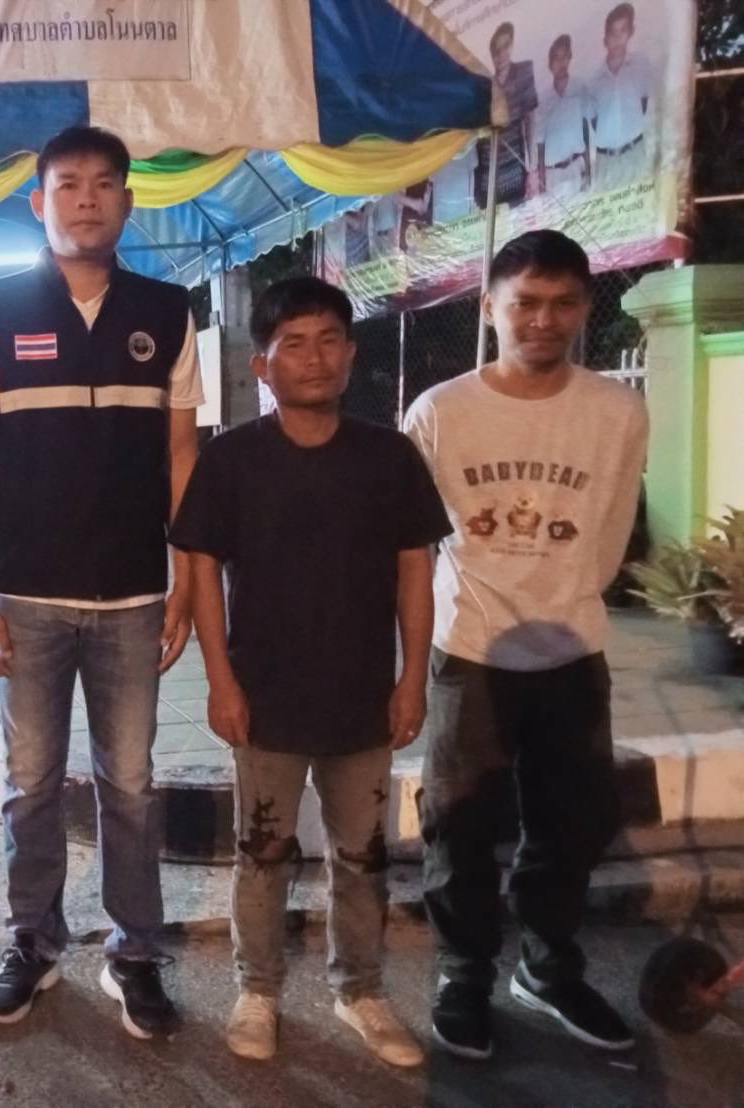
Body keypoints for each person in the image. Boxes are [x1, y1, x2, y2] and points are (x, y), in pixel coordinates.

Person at [0, 125, 202, 1039]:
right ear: (39, 202)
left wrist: (185, 581)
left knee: (129, 785)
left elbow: (182, 455)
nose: (86, 199)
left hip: (134, 594)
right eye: (67, 184)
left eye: (103, 184)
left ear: (127, 201)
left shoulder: (167, 311)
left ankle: (134, 953)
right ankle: (33, 941)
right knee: (30, 784)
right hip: (25, 596)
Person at [170, 277, 450, 1067]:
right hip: (263, 698)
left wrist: (411, 680)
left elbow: (415, 571)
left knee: (360, 856)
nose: (314, 358)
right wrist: (220, 681)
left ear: (350, 354)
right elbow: (200, 571)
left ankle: (360, 989)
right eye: (292, 344)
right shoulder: (230, 460)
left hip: (363, 697)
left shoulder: (388, 457)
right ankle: (257, 990)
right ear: (261, 366)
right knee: (262, 853)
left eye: (328, 340)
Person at [403, 229, 647, 1061]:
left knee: (571, 822)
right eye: (525, 303)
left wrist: (567, 597)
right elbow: (412, 542)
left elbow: (610, 528)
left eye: (563, 303)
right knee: (457, 824)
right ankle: (463, 973)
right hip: (468, 648)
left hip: (571, 648)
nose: (543, 320)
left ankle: (546, 967)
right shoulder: (440, 412)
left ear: (583, 308)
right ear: (489, 309)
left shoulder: (616, 411)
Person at [475, 22, 537, 209]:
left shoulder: (523, 72)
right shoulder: (485, 86)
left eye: (505, 46)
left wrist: (532, 169)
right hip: (488, 175)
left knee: (520, 218)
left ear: (512, 46)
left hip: (515, 169)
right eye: (496, 50)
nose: (500, 54)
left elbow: (531, 120)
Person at [591, 2, 652, 191]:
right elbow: (594, 121)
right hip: (606, 161)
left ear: (631, 32)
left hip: (634, 154)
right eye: (612, 32)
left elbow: (643, 104)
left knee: (640, 205)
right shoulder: (595, 80)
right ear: (605, 39)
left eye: (623, 30)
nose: (617, 38)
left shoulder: (641, 64)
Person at [537, 34, 594, 198]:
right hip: (553, 176)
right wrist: (542, 186)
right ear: (550, 65)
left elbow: (585, 131)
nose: (561, 62)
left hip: (576, 167)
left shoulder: (580, 87)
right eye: (557, 58)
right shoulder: (543, 100)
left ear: (570, 58)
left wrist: (588, 172)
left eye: (565, 57)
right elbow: (540, 146)